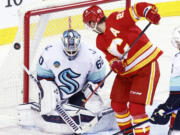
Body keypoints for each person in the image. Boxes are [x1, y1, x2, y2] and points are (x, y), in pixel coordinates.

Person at [82, 2, 163, 135]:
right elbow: (110, 57)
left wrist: (148, 12)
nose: (89, 27)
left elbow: (137, 9)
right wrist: (115, 64)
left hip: (145, 67)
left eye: (88, 23)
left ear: (93, 22)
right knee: (117, 105)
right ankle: (128, 133)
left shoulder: (115, 19)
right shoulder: (99, 41)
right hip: (126, 73)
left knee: (136, 109)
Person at [18, 29, 115, 135]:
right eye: (69, 52)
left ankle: (77, 102)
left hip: (79, 92)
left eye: (74, 51)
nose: (71, 54)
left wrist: (90, 90)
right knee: (47, 100)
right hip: (57, 92)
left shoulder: (92, 55)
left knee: (91, 105)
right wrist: (50, 92)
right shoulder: (49, 53)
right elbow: (43, 77)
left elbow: (98, 80)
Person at [151, 26, 180, 135]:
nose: (177, 45)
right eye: (177, 42)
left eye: (179, 42)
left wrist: (168, 107)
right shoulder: (177, 58)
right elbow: (176, 91)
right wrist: (166, 106)